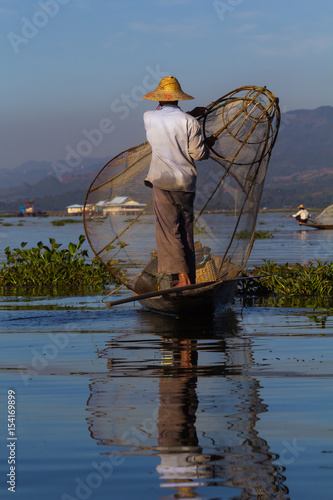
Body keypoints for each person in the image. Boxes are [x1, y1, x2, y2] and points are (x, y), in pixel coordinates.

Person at [142, 76, 215, 288]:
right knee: (186, 229)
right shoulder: (190, 122)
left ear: (159, 100)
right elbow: (198, 154)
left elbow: (166, 125)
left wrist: (190, 116)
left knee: (168, 231)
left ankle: (181, 280)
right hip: (185, 183)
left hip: (161, 180)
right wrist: (207, 143)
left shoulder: (148, 117)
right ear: (178, 99)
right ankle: (189, 278)